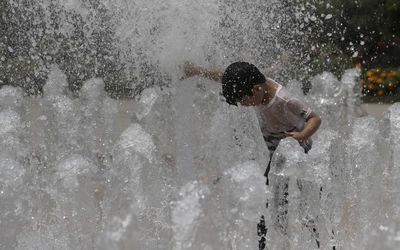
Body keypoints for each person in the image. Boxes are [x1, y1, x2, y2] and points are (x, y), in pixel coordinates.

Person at [181, 61, 322, 249]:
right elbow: (222, 75)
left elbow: (315, 118)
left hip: (299, 154)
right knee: (266, 203)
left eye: (243, 100)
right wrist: (196, 71)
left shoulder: (285, 100)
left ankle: (323, 242)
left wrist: (302, 135)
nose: (243, 105)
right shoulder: (251, 83)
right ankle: (266, 244)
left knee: (309, 207)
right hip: (277, 157)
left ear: (256, 89)